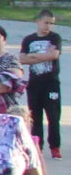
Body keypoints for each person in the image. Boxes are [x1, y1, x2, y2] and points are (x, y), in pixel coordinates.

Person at [24, 12, 62, 161]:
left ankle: (55, 147)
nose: (48, 26)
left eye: (51, 23)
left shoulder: (54, 38)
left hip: (51, 83)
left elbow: (53, 55)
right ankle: (37, 146)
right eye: (46, 22)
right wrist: (43, 56)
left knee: (53, 116)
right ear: (38, 21)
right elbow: (22, 59)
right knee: (35, 117)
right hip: (34, 84)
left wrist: (32, 56)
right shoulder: (29, 39)